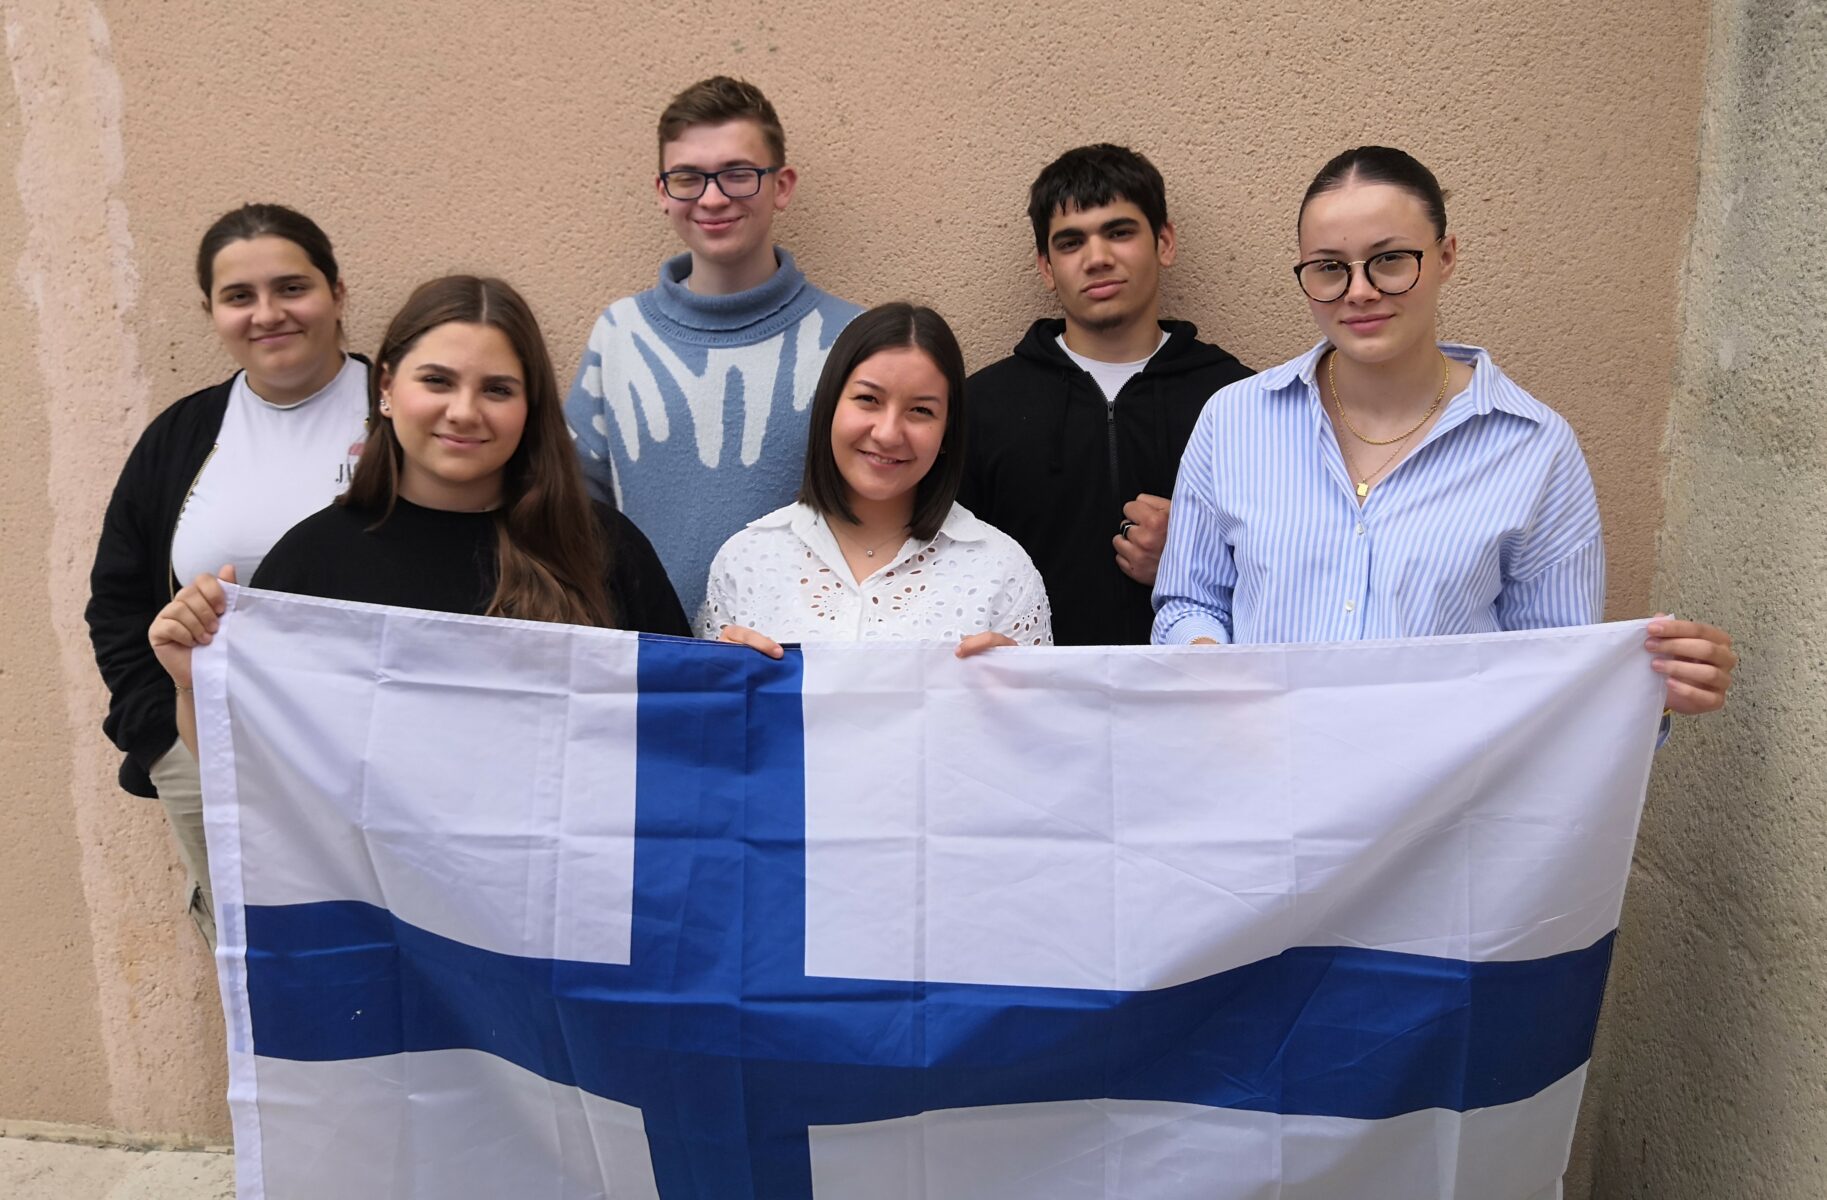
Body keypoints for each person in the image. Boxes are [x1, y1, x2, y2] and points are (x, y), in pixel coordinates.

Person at [1153, 146, 1736, 716]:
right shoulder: (1233, 420)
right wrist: (1213, 668)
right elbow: (1187, 603)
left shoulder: (1533, 446)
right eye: (1330, 267)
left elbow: (1553, 674)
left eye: (1390, 259)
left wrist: (1644, 697)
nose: (1359, 291)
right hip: (1266, 788)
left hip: (1445, 807)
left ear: (1447, 255)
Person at [149, 276, 689, 757]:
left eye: (497, 389)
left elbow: (691, 728)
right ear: (386, 388)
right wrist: (192, 682)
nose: (463, 411)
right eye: (437, 381)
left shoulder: (600, 546)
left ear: (530, 407)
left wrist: (754, 676)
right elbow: (253, 771)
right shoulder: (310, 563)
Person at [86, 203, 370, 946]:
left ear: (338, 292)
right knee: (266, 979)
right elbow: (117, 602)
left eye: (291, 288)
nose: (267, 314)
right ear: (211, 311)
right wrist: (164, 746)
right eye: (238, 297)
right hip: (218, 764)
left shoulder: (404, 414)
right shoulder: (181, 437)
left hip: (386, 764)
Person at [565, 75, 863, 618]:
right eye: (688, 178)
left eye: (738, 175)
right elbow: (572, 508)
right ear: (662, 191)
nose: (712, 197)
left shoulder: (853, 338)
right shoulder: (618, 334)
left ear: (783, 185)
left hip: (803, 667)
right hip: (651, 659)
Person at [960, 144, 1252, 646]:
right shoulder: (980, 407)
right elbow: (940, 571)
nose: (1097, 258)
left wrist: (1191, 561)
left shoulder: (1239, 400)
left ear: (1164, 242)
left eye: (1119, 232)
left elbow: (1297, 568)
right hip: (1030, 708)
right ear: (1046, 268)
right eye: (1071, 243)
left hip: (1198, 703)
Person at [701, 302, 1051, 657]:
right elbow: (704, 708)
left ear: (947, 432)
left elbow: (1042, 712)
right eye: (868, 399)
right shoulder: (745, 559)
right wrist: (719, 679)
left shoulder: (1003, 571)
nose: (887, 433)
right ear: (830, 406)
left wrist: (1021, 689)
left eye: (921, 410)